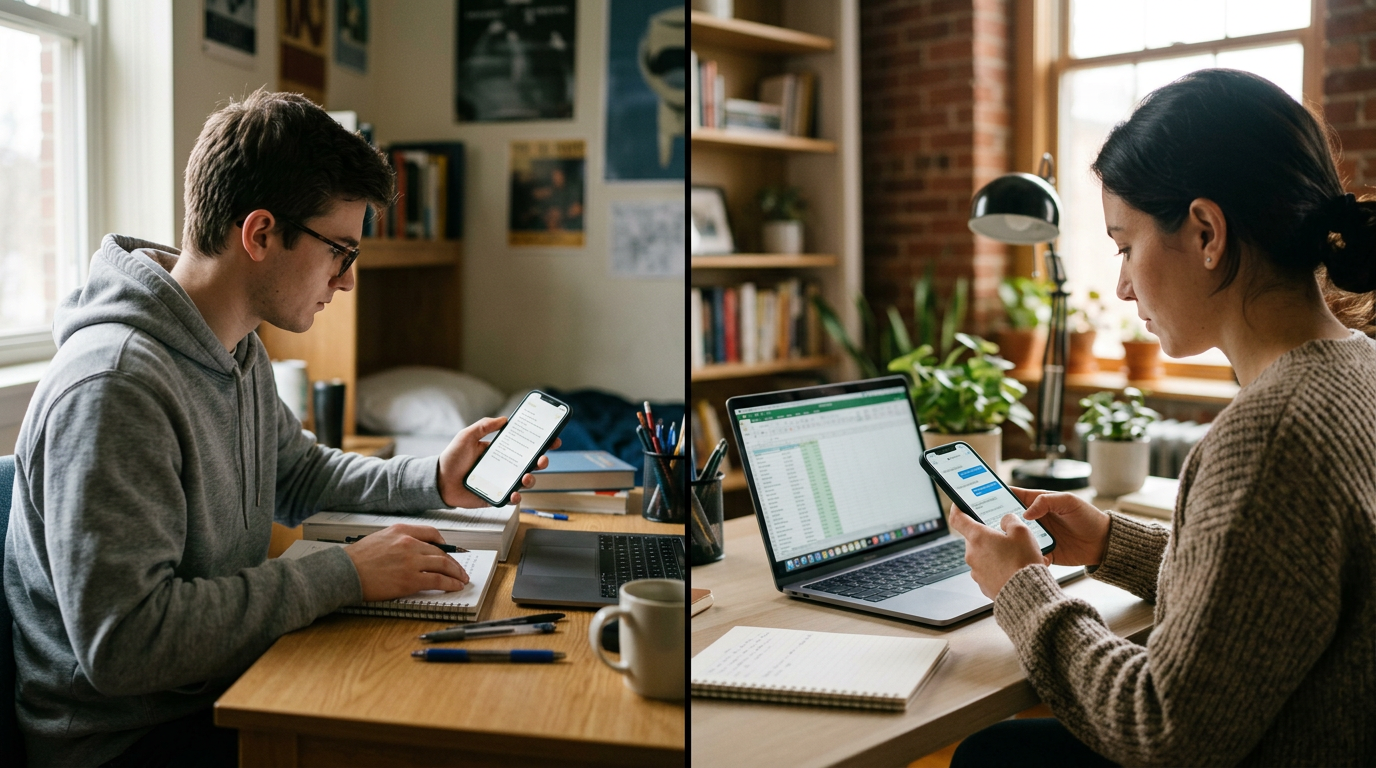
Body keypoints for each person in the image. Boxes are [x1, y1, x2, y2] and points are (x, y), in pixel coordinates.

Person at [4, 89, 556, 767]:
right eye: (340, 252)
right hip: (124, 741)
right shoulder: (114, 387)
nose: (347, 282)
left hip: (218, 686)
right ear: (261, 233)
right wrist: (344, 574)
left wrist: (434, 477)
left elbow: (295, 472)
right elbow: (125, 644)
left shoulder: (235, 346)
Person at [947, 69, 1376, 767]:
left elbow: (1163, 730)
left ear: (1207, 231)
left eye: (1124, 245)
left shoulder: (1271, 432)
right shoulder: (1360, 367)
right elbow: (1271, 593)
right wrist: (1113, 542)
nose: (1120, 283)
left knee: (992, 757)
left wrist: (1021, 589)